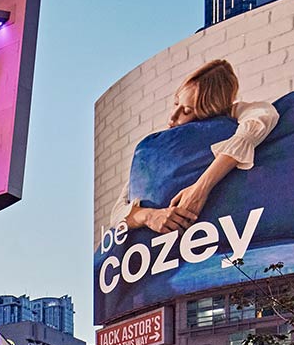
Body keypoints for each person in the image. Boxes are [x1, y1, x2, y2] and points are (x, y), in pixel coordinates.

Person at [110, 59, 281, 234]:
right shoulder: (155, 150)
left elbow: (263, 116)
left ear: (209, 112)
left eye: (186, 111)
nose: (172, 118)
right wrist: (150, 216)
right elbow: (117, 214)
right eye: (176, 103)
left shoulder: (232, 118)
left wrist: (200, 189)